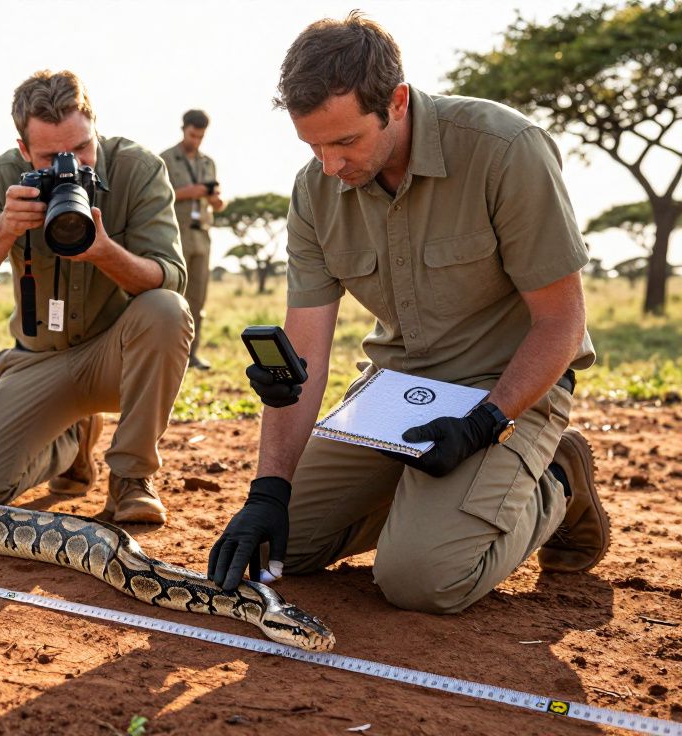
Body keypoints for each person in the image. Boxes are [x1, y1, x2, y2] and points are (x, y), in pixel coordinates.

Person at [208, 13, 609, 614]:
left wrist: (485, 422)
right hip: (394, 396)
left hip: (503, 392)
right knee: (280, 545)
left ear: (396, 102)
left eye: (345, 141)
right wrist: (267, 489)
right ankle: (432, 494)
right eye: (312, 144)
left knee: (422, 580)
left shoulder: (505, 150)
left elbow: (561, 322)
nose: (329, 166)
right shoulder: (313, 190)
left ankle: (555, 480)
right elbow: (307, 351)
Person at [0, 70, 193, 524]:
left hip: (118, 358)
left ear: (96, 128)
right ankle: (70, 442)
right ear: (23, 151)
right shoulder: (2, 177)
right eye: (51, 156)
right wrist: (4, 227)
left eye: (81, 149)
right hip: (39, 361)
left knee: (166, 310)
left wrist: (103, 251)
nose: (70, 166)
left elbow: (170, 278)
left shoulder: (139, 168)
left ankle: (131, 478)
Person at [161, 110, 224, 370]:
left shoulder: (208, 162)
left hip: (202, 235)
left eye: (201, 136)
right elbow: (157, 197)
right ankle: (167, 354)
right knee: (173, 298)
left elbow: (218, 202)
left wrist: (215, 200)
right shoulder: (165, 159)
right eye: (192, 135)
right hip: (176, 234)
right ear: (183, 129)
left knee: (198, 300)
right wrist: (189, 192)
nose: (196, 140)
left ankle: (192, 355)